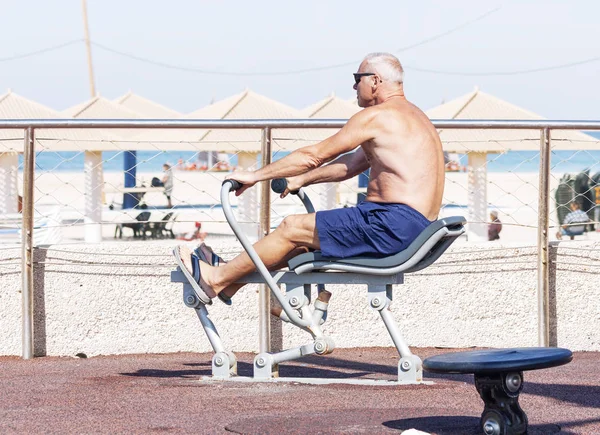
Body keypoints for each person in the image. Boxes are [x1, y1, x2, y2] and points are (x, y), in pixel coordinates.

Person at [173, 52, 445, 305]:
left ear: (375, 81)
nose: (353, 88)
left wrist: (255, 176)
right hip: (411, 226)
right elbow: (350, 165)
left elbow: (314, 155)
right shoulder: (417, 118)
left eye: (356, 79)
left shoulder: (376, 116)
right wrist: (302, 180)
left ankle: (214, 279)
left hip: (390, 223)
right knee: (302, 241)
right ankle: (231, 280)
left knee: (291, 227)